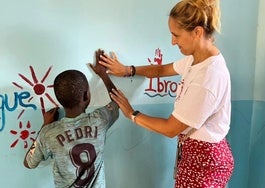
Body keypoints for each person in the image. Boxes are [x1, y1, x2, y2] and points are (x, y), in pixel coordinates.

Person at [99, 0, 234, 187]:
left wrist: (132, 114)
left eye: (176, 35)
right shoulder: (195, 59)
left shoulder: (209, 77)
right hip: (193, 154)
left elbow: (171, 128)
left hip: (206, 163)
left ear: (197, 32)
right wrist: (127, 70)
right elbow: (161, 70)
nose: (173, 42)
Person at [23, 49, 119, 188]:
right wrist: (103, 74)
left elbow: (29, 163)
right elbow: (117, 101)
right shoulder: (99, 120)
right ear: (86, 96)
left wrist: (45, 126)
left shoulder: (48, 133)